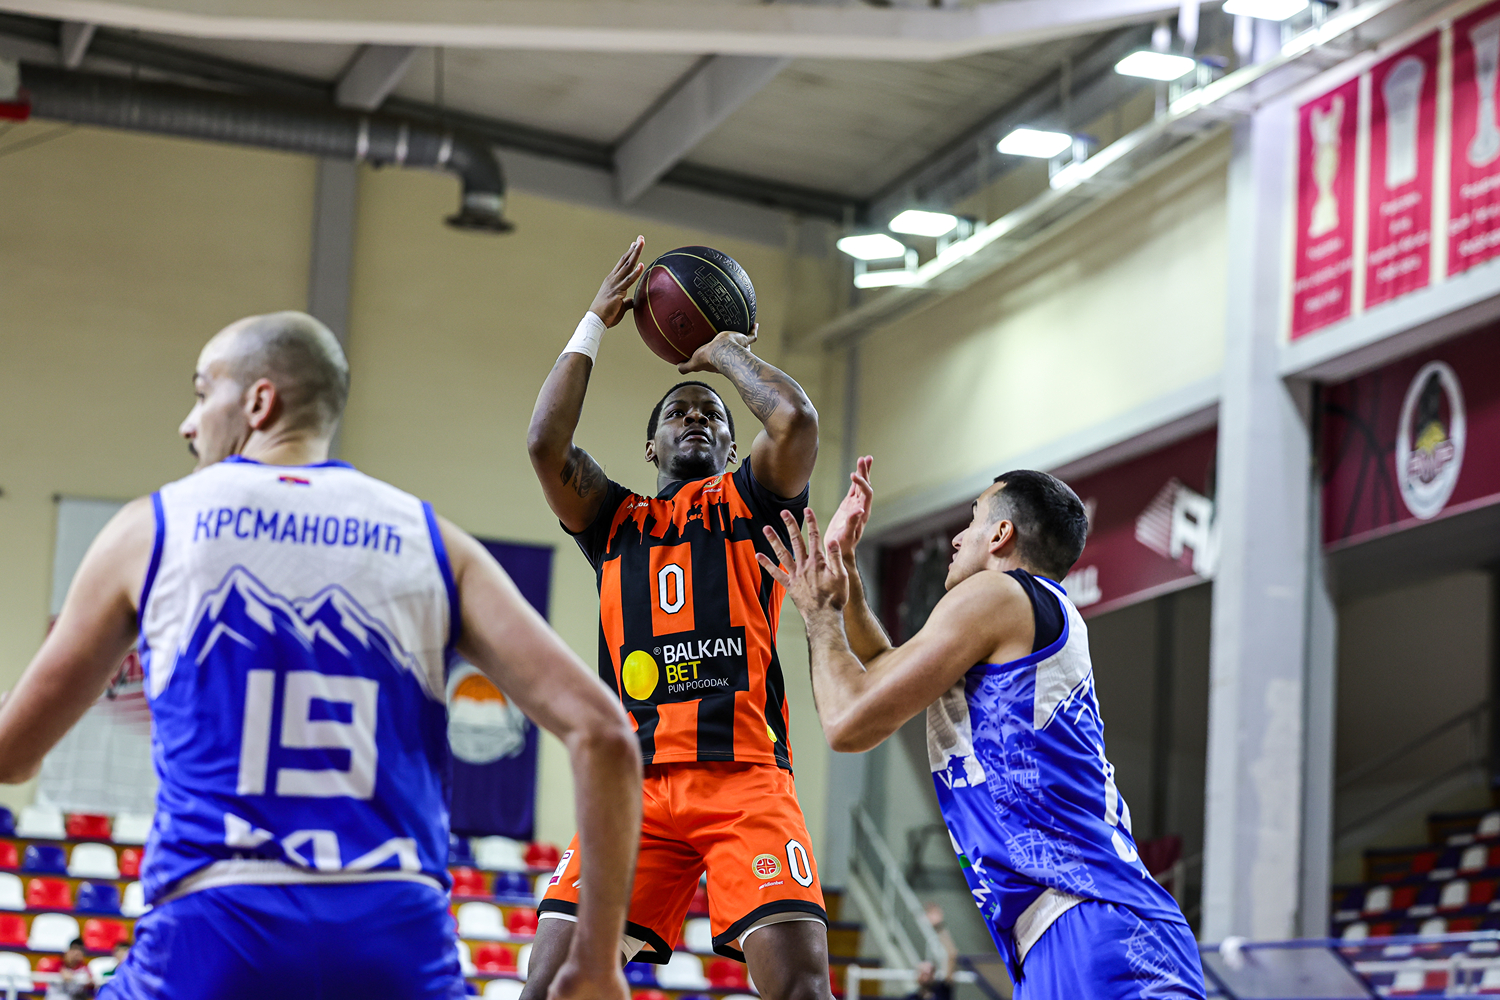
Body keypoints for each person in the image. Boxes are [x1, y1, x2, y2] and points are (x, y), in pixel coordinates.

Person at [0, 312, 642, 1000]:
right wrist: (596, 963)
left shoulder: (151, 527)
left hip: (215, 929)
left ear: (259, 402)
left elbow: (13, 755)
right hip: (394, 937)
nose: (189, 424)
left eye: (202, 392)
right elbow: (604, 734)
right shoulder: (432, 540)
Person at [760, 458, 1206, 1000]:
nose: (956, 538)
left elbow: (847, 722)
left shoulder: (996, 595)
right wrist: (846, 571)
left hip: (1094, 923)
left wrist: (817, 613)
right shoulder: (1015, 611)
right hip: (1070, 932)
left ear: (1000, 534)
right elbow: (882, 670)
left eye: (972, 519)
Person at [524, 237, 830, 1000]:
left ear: (730, 444)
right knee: (550, 984)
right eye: (678, 412)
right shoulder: (612, 520)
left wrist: (722, 351)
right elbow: (544, 443)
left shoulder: (753, 503)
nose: (694, 416)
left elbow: (794, 420)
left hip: (745, 778)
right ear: (650, 445)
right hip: (640, 786)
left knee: (799, 987)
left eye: (711, 414)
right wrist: (594, 323)